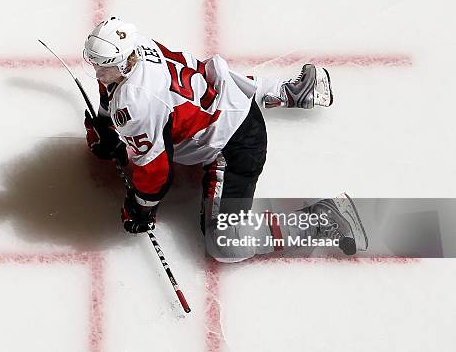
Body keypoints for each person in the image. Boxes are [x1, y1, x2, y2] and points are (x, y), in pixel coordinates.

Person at [83, 17, 367, 262]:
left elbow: (156, 174)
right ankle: (292, 92)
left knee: (225, 242)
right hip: (222, 89)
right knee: (218, 81)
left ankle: (322, 218)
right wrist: (107, 128)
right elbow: (112, 86)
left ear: (123, 63)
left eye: (102, 66)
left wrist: (140, 209)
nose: (96, 71)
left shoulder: (136, 104)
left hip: (235, 144)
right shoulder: (134, 44)